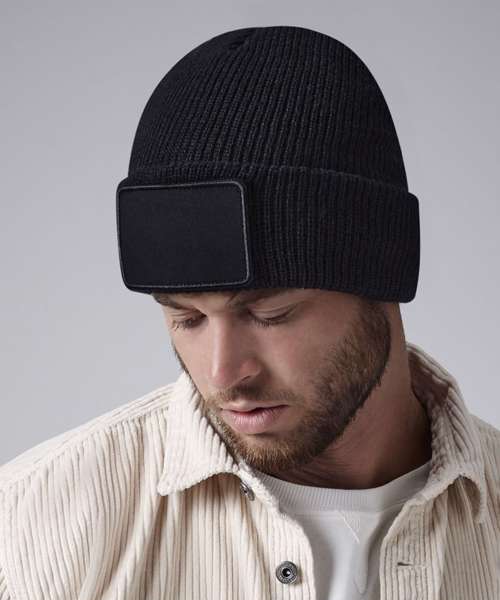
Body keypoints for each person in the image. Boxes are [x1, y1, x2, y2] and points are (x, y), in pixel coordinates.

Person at [0, 25, 498, 600]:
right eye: (186, 318)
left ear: (383, 275)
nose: (223, 374)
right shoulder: (31, 527)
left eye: (271, 314)